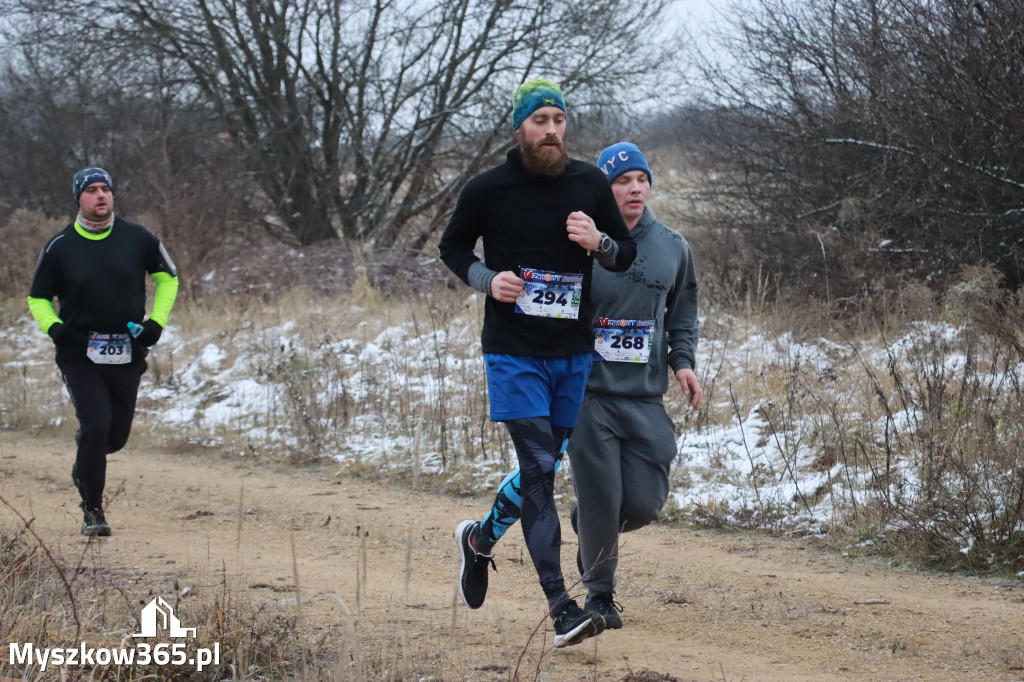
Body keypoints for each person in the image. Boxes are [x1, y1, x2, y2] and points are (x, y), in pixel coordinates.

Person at [454, 141, 702, 632]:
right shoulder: (571, 240)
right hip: (582, 385)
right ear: (602, 191)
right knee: (570, 483)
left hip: (644, 393)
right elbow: (543, 293)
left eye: (641, 180)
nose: (634, 189)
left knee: (641, 504)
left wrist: (683, 363)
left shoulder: (672, 246)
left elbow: (682, 313)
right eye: (621, 182)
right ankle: (599, 595)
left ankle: (495, 535)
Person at [439, 79, 637, 648]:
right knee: (539, 472)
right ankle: (561, 608)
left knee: (546, 466)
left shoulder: (589, 183)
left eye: (558, 119)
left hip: (573, 353)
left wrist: (598, 241)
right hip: (513, 351)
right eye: (540, 120)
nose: (551, 130)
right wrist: (487, 278)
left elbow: (623, 255)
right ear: (520, 128)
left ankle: (479, 541)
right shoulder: (487, 189)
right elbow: (452, 248)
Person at [27, 167, 179, 537]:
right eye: (92, 190)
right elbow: (38, 298)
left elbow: (168, 278)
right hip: (80, 353)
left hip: (126, 350)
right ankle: (93, 511)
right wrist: (56, 330)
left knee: (114, 437)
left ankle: (87, 453)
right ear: (78, 198)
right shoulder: (60, 246)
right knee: (96, 424)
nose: (101, 196)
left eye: (106, 189)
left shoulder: (139, 238)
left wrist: (155, 324)